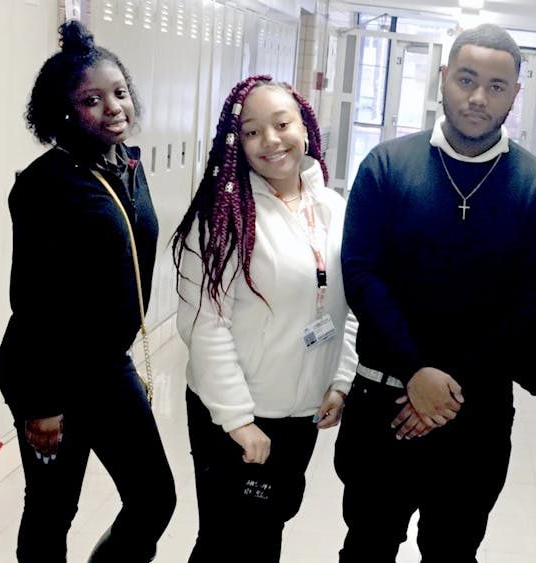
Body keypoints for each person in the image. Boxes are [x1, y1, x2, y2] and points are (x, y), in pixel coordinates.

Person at [336, 23, 536, 562]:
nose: (477, 97)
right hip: (385, 400)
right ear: (443, 79)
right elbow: (363, 275)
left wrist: (445, 388)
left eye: (496, 86)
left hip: (477, 414)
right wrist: (416, 371)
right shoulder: (387, 167)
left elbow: (535, 303)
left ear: (515, 93)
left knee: (453, 550)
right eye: (466, 79)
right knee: (367, 545)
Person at [0, 20, 176, 562]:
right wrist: (41, 403)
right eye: (92, 100)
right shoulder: (44, 184)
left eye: (119, 93)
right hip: (48, 370)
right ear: (64, 110)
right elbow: (31, 302)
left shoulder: (129, 166)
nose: (114, 107)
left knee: (153, 499)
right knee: (53, 508)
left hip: (106, 366)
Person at [172, 75, 356, 562]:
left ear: (305, 126)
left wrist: (339, 381)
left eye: (281, 124)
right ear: (237, 142)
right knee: (225, 541)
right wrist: (238, 420)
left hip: (300, 415)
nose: (270, 141)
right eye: (252, 131)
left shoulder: (333, 209)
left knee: (266, 532)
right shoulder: (223, 216)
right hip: (237, 416)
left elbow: (349, 306)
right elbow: (203, 325)